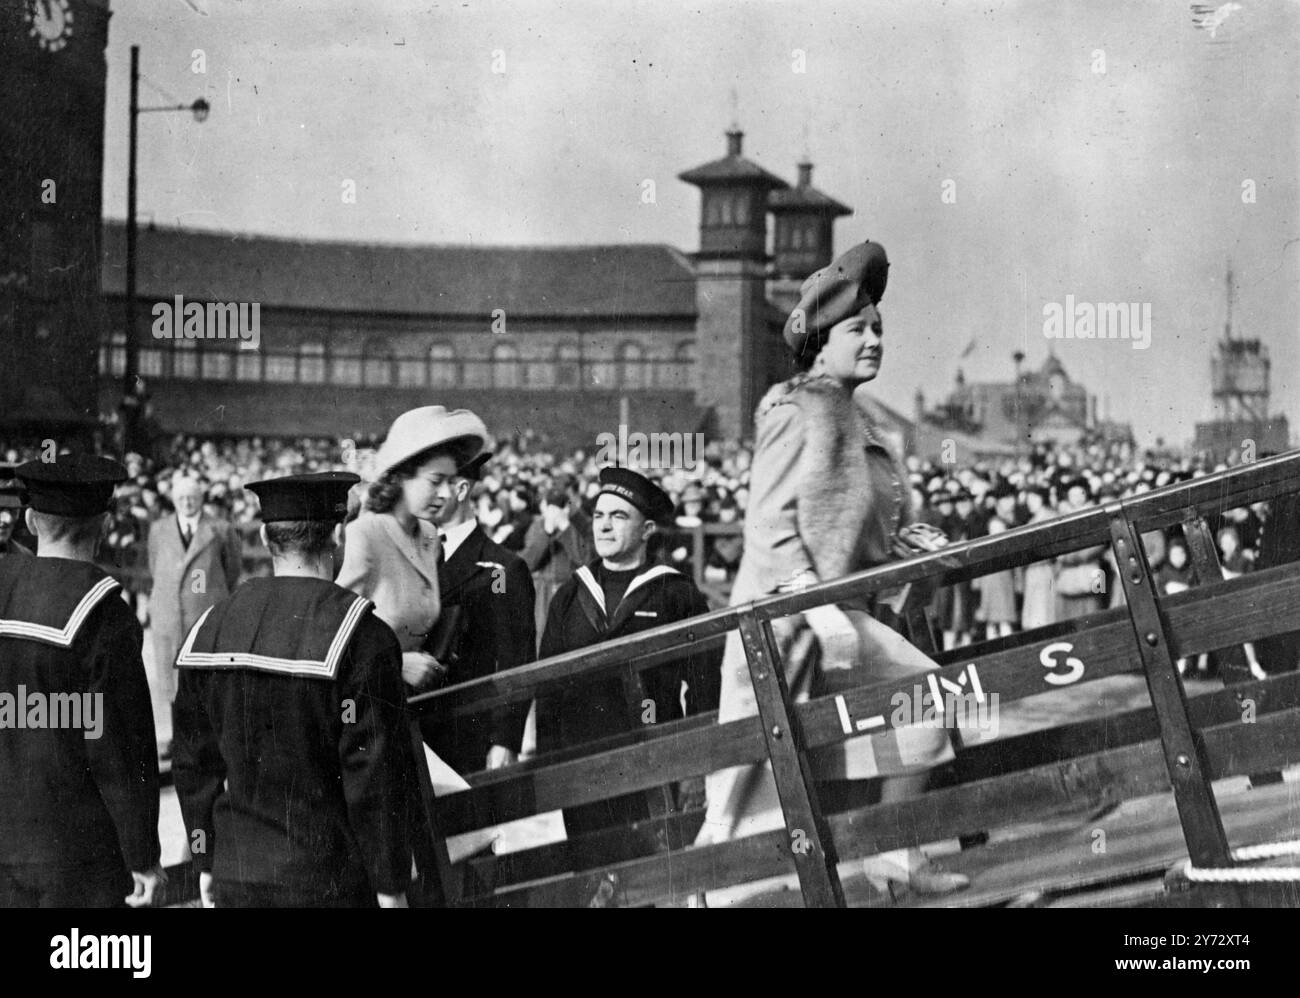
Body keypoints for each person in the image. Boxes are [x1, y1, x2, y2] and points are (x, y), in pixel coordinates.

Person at [695, 240, 970, 902]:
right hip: (778, 625)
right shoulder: (795, 407)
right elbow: (768, 525)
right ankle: (702, 895)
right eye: (857, 330)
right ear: (820, 342)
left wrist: (912, 548)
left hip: (836, 620)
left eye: (878, 329)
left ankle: (893, 853)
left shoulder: (860, 415)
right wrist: (813, 608)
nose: (874, 340)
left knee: (927, 698)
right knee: (747, 782)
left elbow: (856, 530)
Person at [172, 472, 417, 908]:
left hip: (237, 870)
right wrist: (390, 884)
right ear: (338, 535)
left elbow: (194, 765)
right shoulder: (363, 636)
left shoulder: (211, 627)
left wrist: (205, 858)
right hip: (328, 880)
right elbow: (374, 776)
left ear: (267, 537)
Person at [0, 455, 162, 907]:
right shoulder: (102, 609)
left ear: (30, 521)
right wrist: (142, 855)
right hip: (73, 852)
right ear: (105, 525)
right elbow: (119, 748)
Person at [536, 467, 721, 857]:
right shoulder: (571, 595)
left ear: (647, 529)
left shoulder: (676, 593)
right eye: (599, 515)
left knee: (654, 876)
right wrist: (551, 765)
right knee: (591, 876)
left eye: (619, 516)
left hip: (655, 760)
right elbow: (547, 686)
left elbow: (705, 687)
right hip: (584, 764)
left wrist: (696, 766)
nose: (603, 526)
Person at [337, 406, 478, 694]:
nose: (446, 495)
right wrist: (398, 663)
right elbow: (333, 633)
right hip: (366, 703)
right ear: (402, 476)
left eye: (451, 483)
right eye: (435, 481)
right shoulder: (365, 534)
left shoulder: (428, 535)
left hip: (412, 703)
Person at [421, 433, 537, 776]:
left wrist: (505, 739)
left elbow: (515, 657)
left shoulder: (502, 569)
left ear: (459, 490)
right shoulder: (409, 556)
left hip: (468, 736)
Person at [147, 471, 242, 756]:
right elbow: (156, 566)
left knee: (205, 678)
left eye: (192, 497)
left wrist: (206, 593)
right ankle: (179, 739)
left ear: (201, 499)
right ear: (174, 501)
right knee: (172, 679)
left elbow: (232, 570)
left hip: (205, 614)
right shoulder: (159, 529)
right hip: (169, 615)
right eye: (181, 498)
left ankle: (208, 741)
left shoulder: (221, 529)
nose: (187, 503)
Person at [521, 483, 594, 635]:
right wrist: (546, 532)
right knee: (543, 637)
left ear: (568, 508)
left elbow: (585, 560)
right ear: (544, 507)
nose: (554, 512)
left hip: (572, 591)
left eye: (559, 506)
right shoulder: (537, 526)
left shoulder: (582, 524)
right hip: (543, 592)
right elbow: (528, 563)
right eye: (551, 506)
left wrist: (566, 527)